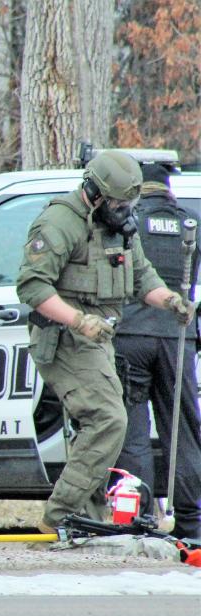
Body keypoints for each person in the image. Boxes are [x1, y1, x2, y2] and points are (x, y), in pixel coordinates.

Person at [15, 150, 193, 534]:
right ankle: (61, 513)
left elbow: (143, 276)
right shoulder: (60, 222)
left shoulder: (120, 227)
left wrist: (171, 301)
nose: (124, 210)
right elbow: (32, 286)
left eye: (129, 203)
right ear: (94, 193)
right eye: (117, 202)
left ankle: (89, 518)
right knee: (109, 419)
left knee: (99, 425)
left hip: (99, 341)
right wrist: (79, 321)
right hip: (64, 339)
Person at [113, 163, 201, 539]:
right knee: (181, 430)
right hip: (176, 336)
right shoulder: (190, 223)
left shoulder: (128, 222)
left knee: (132, 430)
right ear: (169, 190)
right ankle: (192, 522)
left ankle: (136, 520)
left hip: (130, 333)